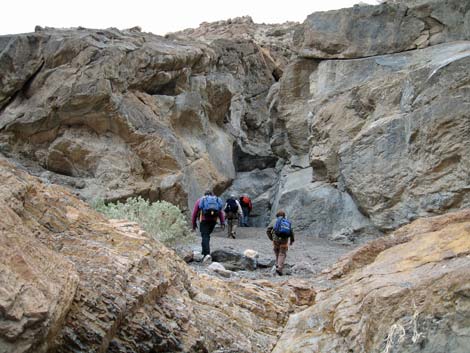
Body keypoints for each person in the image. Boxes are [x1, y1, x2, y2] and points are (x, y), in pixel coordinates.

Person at [191, 190, 225, 262]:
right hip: (213, 221)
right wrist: (222, 222)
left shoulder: (201, 200)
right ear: (212, 194)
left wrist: (194, 224)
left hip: (204, 220)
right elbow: (220, 212)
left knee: (205, 236)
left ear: (204, 194)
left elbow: (194, 213)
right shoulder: (216, 200)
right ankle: (204, 252)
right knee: (206, 236)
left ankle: (207, 254)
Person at [266, 210, 294, 276]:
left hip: (275, 239)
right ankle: (279, 268)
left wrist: (271, 238)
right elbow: (291, 232)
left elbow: (268, 230)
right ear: (284, 215)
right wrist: (292, 240)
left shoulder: (274, 221)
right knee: (282, 253)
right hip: (284, 240)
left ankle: (277, 265)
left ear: (277, 215)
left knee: (276, 251)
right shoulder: (287, 222)